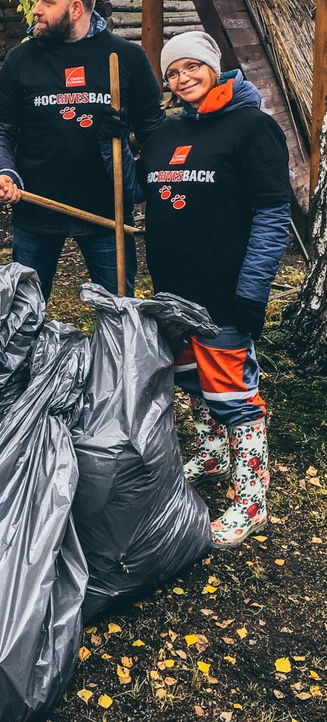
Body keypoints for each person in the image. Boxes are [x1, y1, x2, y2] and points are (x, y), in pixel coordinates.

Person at [139, 30, 291, 547]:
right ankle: (210, 454)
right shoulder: (164, 133)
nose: (182, 79)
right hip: (173, 291)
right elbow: (146, 194)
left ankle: (251, 503)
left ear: (213, 65)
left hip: (224, 292)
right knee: (192, 381)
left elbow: (273, 216)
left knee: (234, 398)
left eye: (191, 67)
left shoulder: (253, 128)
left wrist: (252, 292)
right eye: (173, 72)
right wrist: (113, 143)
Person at [0, 0, 164, 300]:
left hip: (106, 212)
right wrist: (4, 171)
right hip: (36, 208)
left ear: (76, 8)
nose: (35, 10)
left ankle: (116, 356)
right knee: (24, 312)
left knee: (118, 311)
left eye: (47, 2)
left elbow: (155, 131)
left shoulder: (125, 57)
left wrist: (140, 185)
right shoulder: (22, 59)